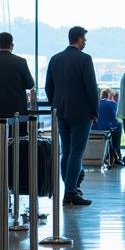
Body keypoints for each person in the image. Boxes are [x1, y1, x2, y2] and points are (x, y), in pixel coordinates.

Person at [46, 26, 99, 206]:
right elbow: (91, 87)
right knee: (76, 153)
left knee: (66, 152)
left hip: (60, 111)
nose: (85, 42)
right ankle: (70, 193)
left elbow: (48, 87)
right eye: (84, 39)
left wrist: (56, 104)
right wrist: (95, 110)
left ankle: (69, 188)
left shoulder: (55, 59)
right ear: (78, 39)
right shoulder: (85, 59)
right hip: (81, 112)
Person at [0, 32, 35, 125]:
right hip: (16, 112)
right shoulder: (21, 62)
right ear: (12, 45)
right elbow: (30, 84)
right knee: (15, 138)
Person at [96, 88, 123, 166]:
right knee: (118, 125)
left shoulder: (96, 103)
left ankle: (112, 154)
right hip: (104, 129)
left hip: (93, 129)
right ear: (110, 96)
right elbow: (115, 118)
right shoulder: (112, 104)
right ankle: (117, 152)